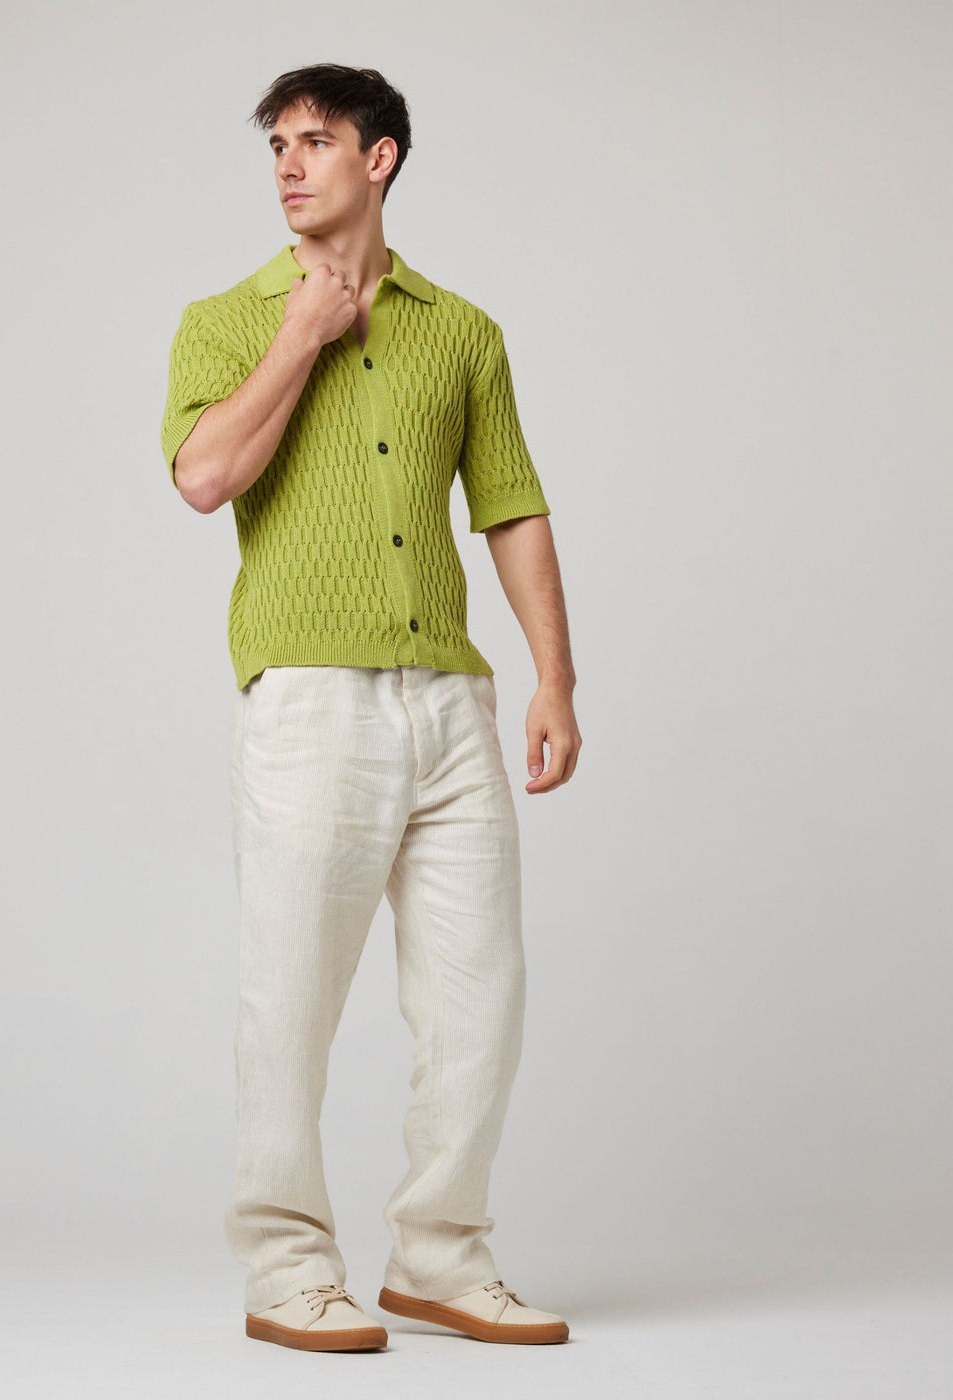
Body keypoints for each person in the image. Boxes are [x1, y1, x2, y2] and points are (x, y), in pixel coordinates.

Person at [160, 63, 581, 1352]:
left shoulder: (463, 332)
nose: (290, 165)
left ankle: (440, 1256)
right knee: (289, 998)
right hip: (311, 701)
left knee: (480, 1002)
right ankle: (287, 1266)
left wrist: (555, 677)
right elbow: (204, 477)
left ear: (379, 158)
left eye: (316, 141)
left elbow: (510, 506)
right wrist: (302, 335)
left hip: (450, 701)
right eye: (276, 146)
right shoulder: (226, 320)